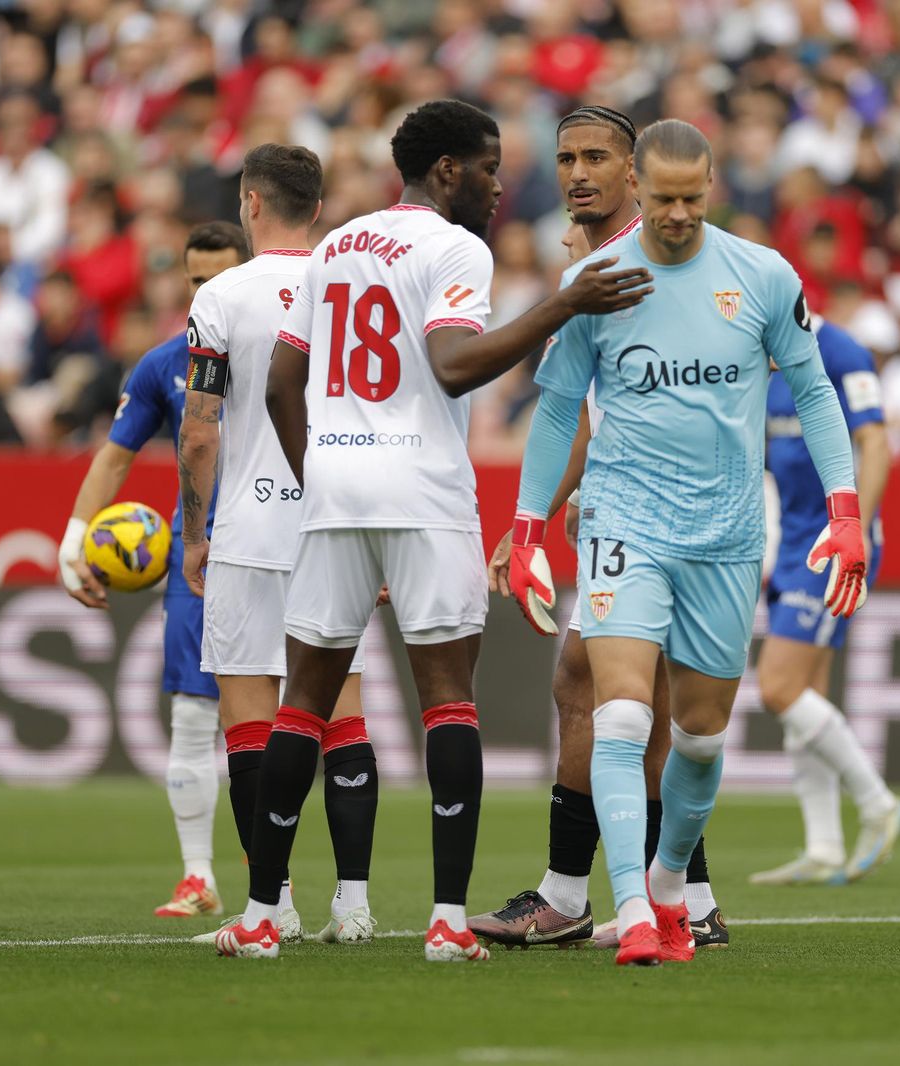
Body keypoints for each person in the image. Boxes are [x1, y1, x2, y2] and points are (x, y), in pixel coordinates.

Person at [217, 99, 649, 962]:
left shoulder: (335, 244)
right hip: (422, 488)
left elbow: (279, 385)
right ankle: (449, 923)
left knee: (302, 702)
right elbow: (454, 368)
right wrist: (564, 306)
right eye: (489, 167)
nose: (500, 185)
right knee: (447, 697)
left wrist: (324, 479)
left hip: (332, 492)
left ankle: (262, 915)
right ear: (448, 170)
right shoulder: (455, 248)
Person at [508, 120, 865, 966]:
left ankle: (671, 889)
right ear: (642, 184)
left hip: (727, 534)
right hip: (625, 521)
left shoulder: (762, 275)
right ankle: (633, 910)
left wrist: (845, 511)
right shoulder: (594, 281)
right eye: (663, 199)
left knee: (700, 738)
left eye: (692, 199)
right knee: (622, 711)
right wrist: (526, 527)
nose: (675, 215)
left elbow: (814, 392)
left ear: (712, 188)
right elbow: (559, 407)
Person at [472, 105, 727, 952]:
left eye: (597, 159)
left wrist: (532, 517)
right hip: (627, 505)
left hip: (664, 511)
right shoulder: (593, 260)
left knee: (618, 695)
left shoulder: (631, 265)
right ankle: (677, 892)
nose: (578, 173)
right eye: (566, 157)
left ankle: (592, 893)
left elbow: (585, 415)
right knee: (623, 697)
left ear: (636, 173)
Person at [175, 145, 376, 947]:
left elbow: (199, 428)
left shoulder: (221, 294)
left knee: (251, 719)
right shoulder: (353, 283)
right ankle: (354, 906)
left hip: (254, 525)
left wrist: (196, 532)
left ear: (251, 204)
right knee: (344, 715)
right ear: (318, 209)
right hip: (337, 522)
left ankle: (274, 904)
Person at [59, 221, 252, 920]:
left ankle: (289, 887)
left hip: (287, 546)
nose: (205, 292)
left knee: (300, 720)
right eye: (196, 280)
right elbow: (114, 455)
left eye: (220, 278)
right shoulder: (164, 363)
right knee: (195, 715)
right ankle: (199, 876)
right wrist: (76, 535)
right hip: (198, 555)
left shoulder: (293, 356)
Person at [751, 315, 900, 887]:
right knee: (805, 696)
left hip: (832, 539)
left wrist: (857, 529)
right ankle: (823, 846)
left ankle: (879, 804)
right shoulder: (753, 351)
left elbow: (876, 444)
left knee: (778, 687)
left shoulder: (839, 349)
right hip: (794, 539)